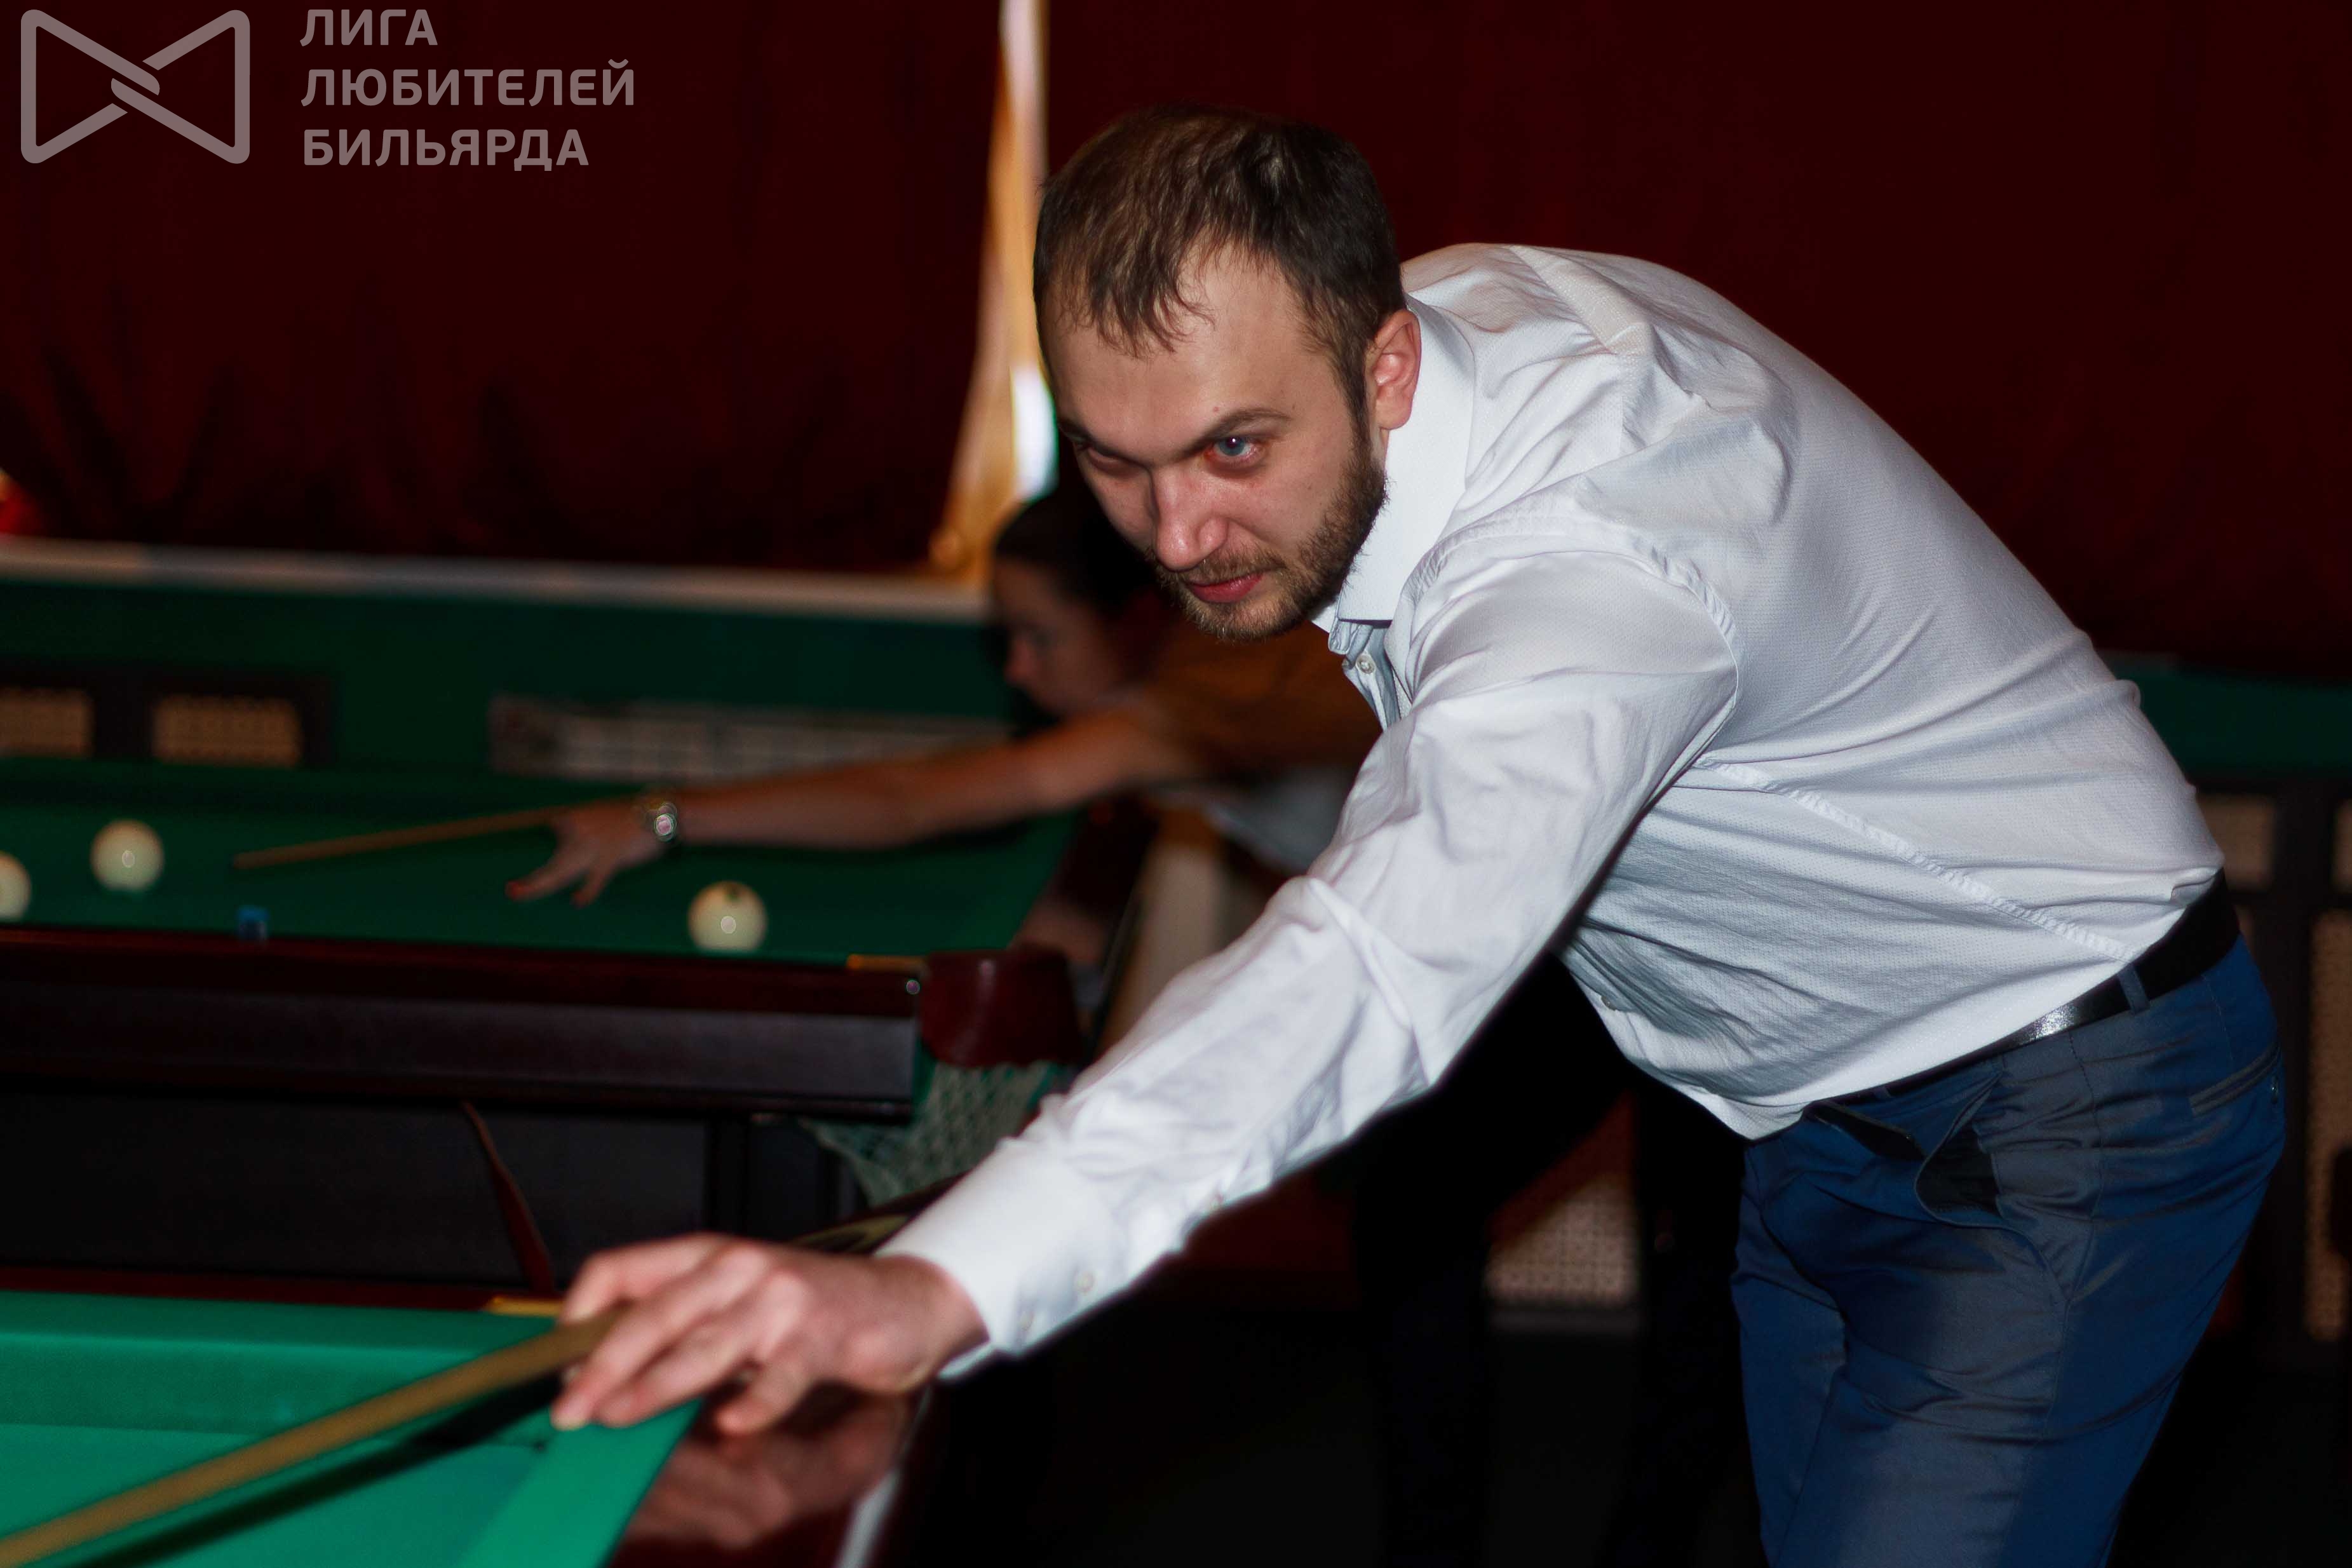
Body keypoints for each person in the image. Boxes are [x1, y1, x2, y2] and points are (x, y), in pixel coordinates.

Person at [549, 107, 2283, 1567]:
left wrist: (933, 1287)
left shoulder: (1594, 558)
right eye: (1116, 463)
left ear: (1381, 367)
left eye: (1232, 448)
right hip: (1816, 1113)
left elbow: (1373, 959)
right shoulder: (1409, 334)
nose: (1179, 530)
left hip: (2066, 1093)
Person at [504, 477, 1377, 906]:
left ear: (1135, 619)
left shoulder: (1170, 716)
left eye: (1040, 637)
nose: (1017, 671)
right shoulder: (1248, 646)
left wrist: (664, 818)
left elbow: (910, 798)